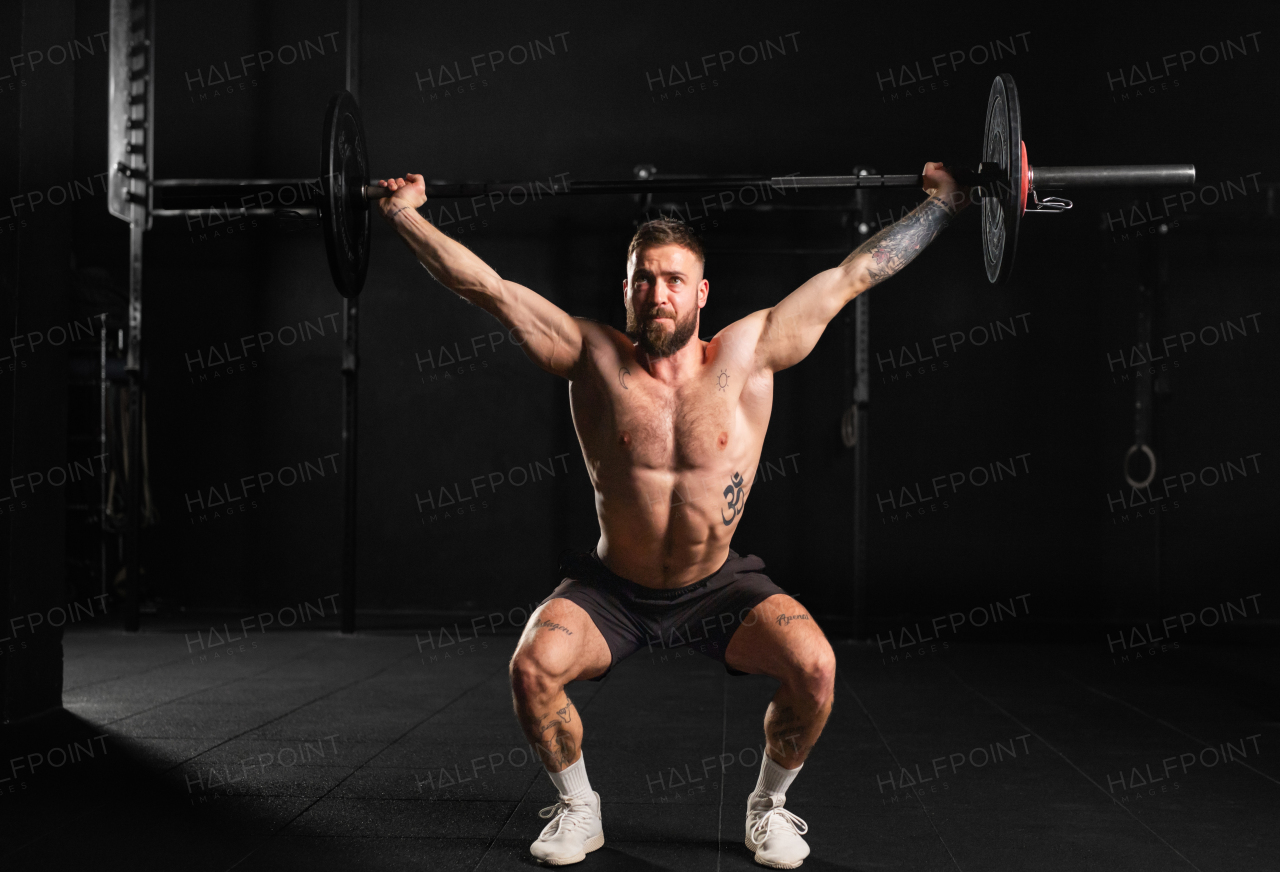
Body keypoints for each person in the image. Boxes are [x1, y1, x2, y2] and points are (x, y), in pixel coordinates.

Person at [377, 166, 969, 867]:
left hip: (719, 588)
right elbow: (489, 290)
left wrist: (943, 204)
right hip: (612, 592)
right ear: (624, 288)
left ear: (701, 293)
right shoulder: (591, 356)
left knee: (815, 669)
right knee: (532, 669)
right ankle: (579, 808)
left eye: (673, 280)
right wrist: (404, 215)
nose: (657, 294)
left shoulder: (750, 353)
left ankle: (769, 808)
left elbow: (854, 276)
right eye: (643, 279)